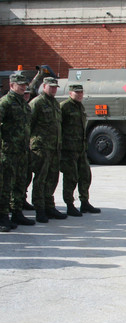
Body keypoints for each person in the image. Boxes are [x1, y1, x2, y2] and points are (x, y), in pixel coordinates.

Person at [60, 84, 100, 216]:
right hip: (68, 149)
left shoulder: (80, 106)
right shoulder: (64, 107)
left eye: (81, 92)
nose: (79, 94)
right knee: (70, 177)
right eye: (76, 92)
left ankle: (84, 202)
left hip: (80, 148)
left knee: (85, 175)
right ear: (70, 93)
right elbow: (58, 127)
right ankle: (69, 204)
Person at [0, 73, 34, 231]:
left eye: (24, 84)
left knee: (20, 183)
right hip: (8, 152)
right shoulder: (5, 103)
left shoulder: (23, 104)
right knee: (6, 185)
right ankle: (2, 217)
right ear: (11, 85)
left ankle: (17, 212)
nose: (22, 87)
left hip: (22, 151)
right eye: (19, 84)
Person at [29, 76, 65, 223]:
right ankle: (39, 209)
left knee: (53, 178)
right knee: (41, 179)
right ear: (44, 87)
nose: (53, 89)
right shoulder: (37, 103)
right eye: (51, 87)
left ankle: (49, 206)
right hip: (41, 148)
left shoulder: (55, 103)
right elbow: (29, 125)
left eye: (55, 87)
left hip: (54, 148)